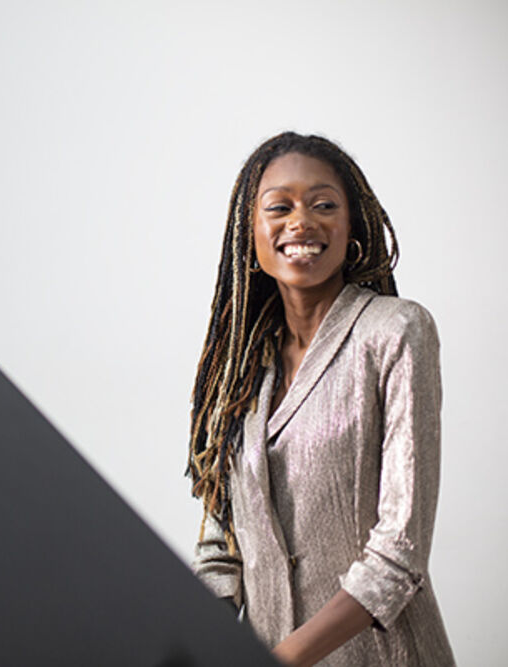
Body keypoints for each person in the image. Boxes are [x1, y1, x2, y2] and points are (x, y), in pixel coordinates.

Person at [186, 132, 455, 666]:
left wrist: (283, 659)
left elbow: (399, 553)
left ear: (351, 226)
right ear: (251, 236)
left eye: (324, 205)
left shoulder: (397, 332)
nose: (301, 222)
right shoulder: (237, 371)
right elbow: (222, 551)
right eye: (279, 207)